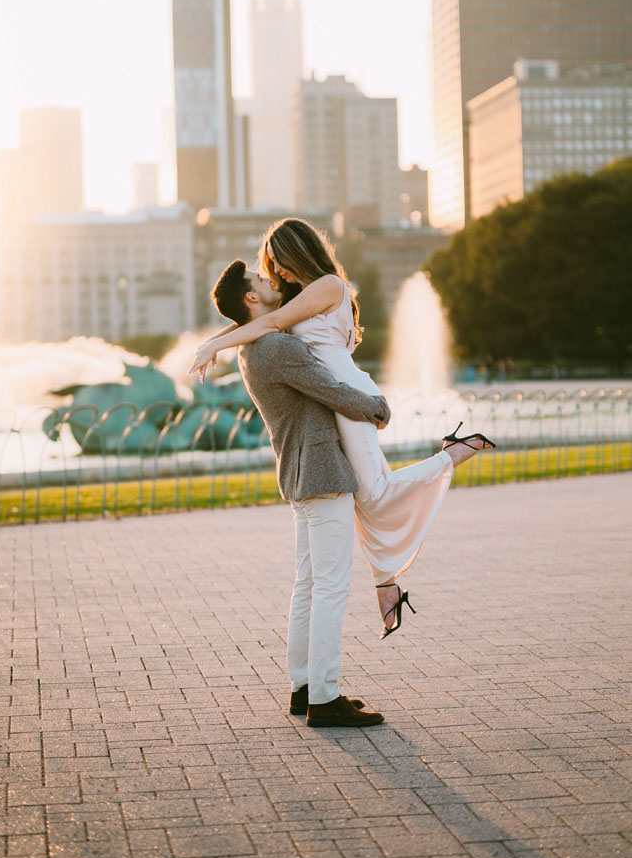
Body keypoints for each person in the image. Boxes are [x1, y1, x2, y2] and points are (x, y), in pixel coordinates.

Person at [191, 219, 495, 638]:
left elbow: (269, 324)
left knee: (374, 492)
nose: (276, 272)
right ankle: (386, 584)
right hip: (332, 397)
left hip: (346, 394)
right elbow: (255, 317)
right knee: (368, 497)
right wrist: (214, 339)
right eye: (269, 267)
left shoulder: (329, 286)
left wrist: (214, 345)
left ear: (298, 251)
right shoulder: (300, 295)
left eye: (277, 262)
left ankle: (452, 454)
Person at [210, 258, 390, 728]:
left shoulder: (252, 351)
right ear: (252, 299)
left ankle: (304, 687)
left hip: (300, 474)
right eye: (262, 280)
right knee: (329, 587)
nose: (272, 282)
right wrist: (377, 408)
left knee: (309, 585)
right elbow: (331, 390)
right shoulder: (272, 346)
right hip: (323, 473)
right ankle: (326, 699)